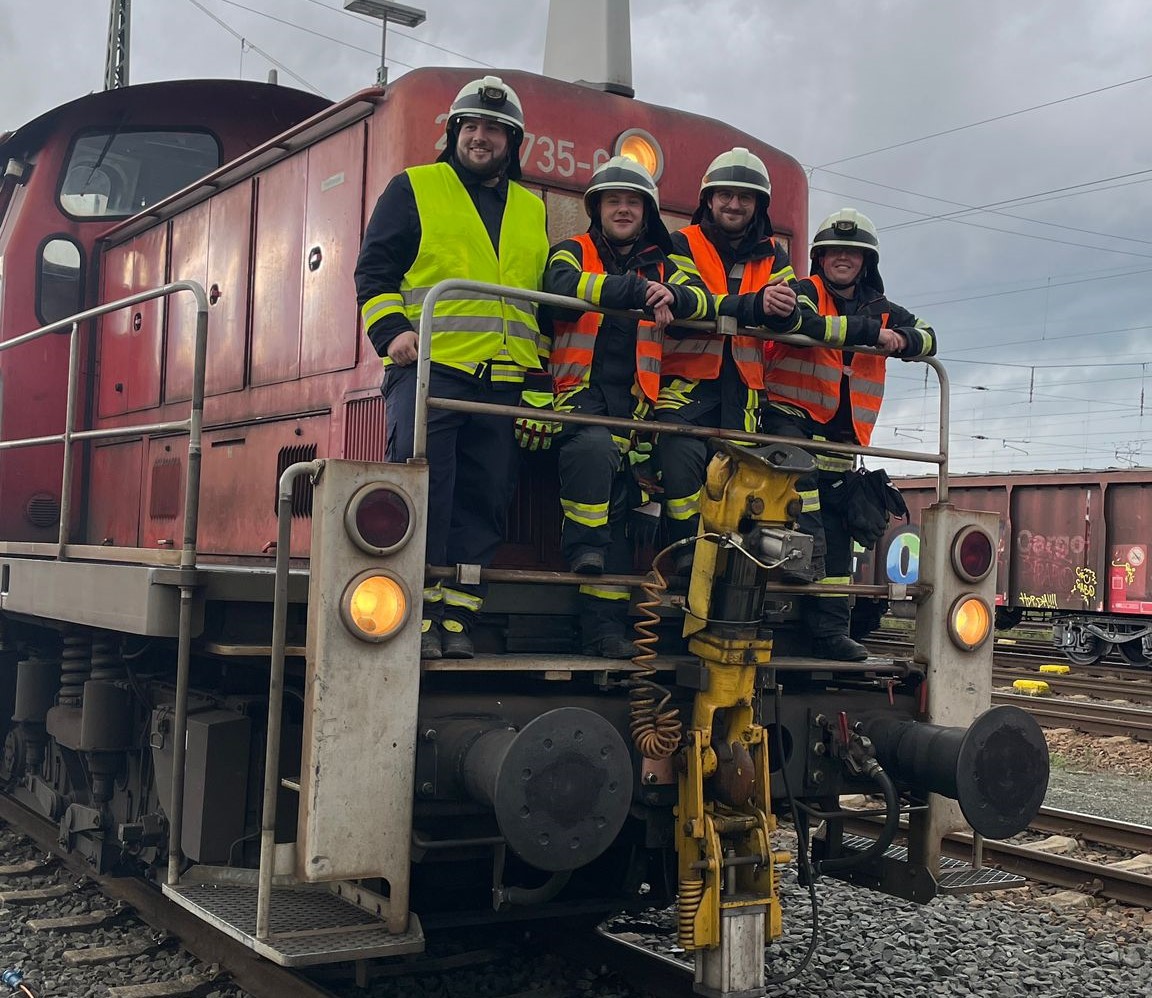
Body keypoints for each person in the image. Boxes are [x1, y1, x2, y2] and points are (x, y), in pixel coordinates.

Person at [354, 76, 550, 660]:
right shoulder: (413, 187)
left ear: (513, 141)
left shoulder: (532, 210)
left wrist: (539, 378)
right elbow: (375, 272)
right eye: (471, 126)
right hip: (430, 372)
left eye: (494, 129)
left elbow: (533, 296)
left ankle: (455, 617)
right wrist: (391, 334)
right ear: (453, 133)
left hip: (504, 378)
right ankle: (411, 617)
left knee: (485, 501)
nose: (481, 137)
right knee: (423, 496)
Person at [532, 156, 711, 658]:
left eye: (633, 202)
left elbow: (701, 298)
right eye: (614, 201)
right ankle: (590, 578)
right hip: (580, 400)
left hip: (641, 412)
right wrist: (633, 290)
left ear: (647, 212)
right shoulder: (572, 250)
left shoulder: (669, 262)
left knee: (669, 469)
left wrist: (673, 292)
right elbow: (559, 288)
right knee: (594, 461)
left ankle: (684, 552)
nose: (624, 209)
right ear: (597, 208)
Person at [763, 208, 936, 661]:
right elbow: (801, 324)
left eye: (853, 252)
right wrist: (869, 333)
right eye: (835, 251)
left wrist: (903, 340)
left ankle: (831, 633)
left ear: (866, 261)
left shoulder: (883, 308)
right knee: (811, 513)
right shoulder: (803, 291)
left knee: (839, 536)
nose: (843, 258)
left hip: (843, 437)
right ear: (820, 256)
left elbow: (929, 336)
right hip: (791, 418)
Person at [657, 147, 801, 571]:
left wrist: (786, 309)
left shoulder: (774, 254)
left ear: (758, 205)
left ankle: (731, 563)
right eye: (726, 195)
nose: (735, 204)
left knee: (741, 481)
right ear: (709, 199)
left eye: (745, 197)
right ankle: (686, 553)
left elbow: (790, 311)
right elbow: (688, 302)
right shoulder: (680, 243)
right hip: (686, 389)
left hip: (743, 393)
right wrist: (756, 305)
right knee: (680, 457)